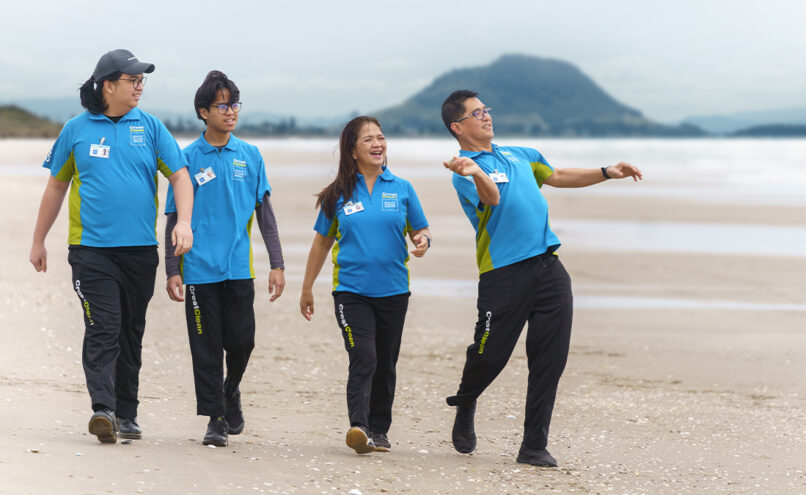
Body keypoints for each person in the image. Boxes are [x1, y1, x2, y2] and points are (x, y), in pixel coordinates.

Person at [440, 90, 643, 467]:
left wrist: (605, 173)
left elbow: (559, 176)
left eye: (487, 109)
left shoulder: (521, 154)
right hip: (503, 274)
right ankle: (467, 399)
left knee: (550, 359)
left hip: (549, 268)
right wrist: (477, 172)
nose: (486, 116)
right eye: (477, 113)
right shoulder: (461, 168)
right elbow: (491, 200)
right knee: (488, 355)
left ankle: (533, 445)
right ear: (458, 126)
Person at [29, 49, 194, 444]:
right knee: (104, 325)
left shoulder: (151, 127)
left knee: (130, 331)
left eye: (142, 81)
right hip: (90, 250)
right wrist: (39, 240)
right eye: (132, 80)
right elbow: (56, 185)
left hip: (139, 250)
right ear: (108, 85)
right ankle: (103, 409)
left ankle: (127, 412)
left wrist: (184, 222)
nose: (139, 86)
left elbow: (181, 177)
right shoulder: (76, 129)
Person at [164, 71, 285, 448]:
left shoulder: (249, 155)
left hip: (238, 267)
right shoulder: (185, 159)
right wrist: (171, 268)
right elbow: (172, 216)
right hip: (198, 268)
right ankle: (215, 419)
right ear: (204, 111)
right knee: (206, 347)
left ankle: (230, 390)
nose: (231, 111)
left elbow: (264, 212)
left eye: (234, 104)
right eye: (222, 105)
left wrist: (277, 264)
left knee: (242, 341)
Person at [299, 116, 431, 454]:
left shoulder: (402, 188)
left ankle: (379, 430)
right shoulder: (338, 194)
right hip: (351, 292)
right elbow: (321, 244)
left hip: (394, 291)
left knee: (386, 363)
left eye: (381, 138)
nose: (378, 144)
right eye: (369, 139)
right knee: (364, 356)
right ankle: (359, 426)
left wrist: (422, 241)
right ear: (353, 150)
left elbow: (421, 229)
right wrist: (307, 288)